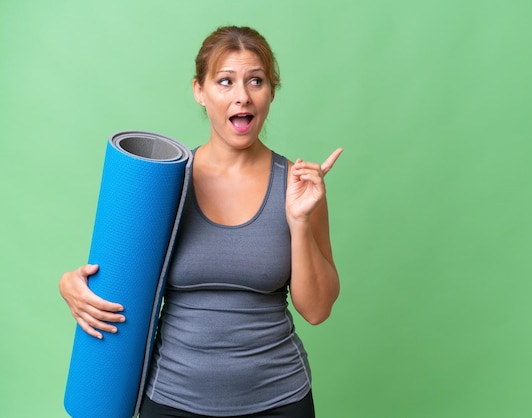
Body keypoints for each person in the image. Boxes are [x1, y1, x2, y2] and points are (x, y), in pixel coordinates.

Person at [59, 25, 341, 418]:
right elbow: (117, 273)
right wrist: (70, 285)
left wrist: (298, 221)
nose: (242, 95)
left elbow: (317, 310)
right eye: (225, 81)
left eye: (255, 81)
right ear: (200, 91)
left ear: (271, 92)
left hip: (279, 399)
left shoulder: (298, 185)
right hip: (171, 398)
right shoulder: (164, 182)